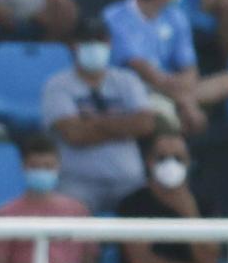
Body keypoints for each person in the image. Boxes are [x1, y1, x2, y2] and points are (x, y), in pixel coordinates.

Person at [0, 133, 129, 263]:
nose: (42, 172)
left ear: (58, 167)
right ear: (23, 167)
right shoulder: (5, 214)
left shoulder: (78, 211)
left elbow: (89, 261)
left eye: (47, 166)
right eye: (35, 167)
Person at [42, 17, 154, 215]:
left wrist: (93, 122)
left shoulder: (127, 80)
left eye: (99, 40)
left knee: (150, 213)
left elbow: (145, 124)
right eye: (86, 41)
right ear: (73, 45)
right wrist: (124, 125)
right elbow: (75, 135)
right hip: (78, 185)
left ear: (109, 43)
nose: (94, 46)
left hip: (129, 183)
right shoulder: (57, 85)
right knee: (67, 218)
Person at [104, 0, 228, 138]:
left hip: (175, 88)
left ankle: (176, 112)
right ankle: (178, 117)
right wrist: (187, 103)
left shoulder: (177, 17)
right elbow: (146, 73)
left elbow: (190, 70)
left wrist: (185, 97)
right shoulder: (114, 17)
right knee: (149, 97)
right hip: (139, 89)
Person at [116, 131, 226, 263]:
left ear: (189, 163)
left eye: (178, 158)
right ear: (148, 162)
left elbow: (209, 262)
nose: (170, 164)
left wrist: (189, 213)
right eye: (162, 158)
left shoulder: (204, 205)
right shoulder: (132, 204)